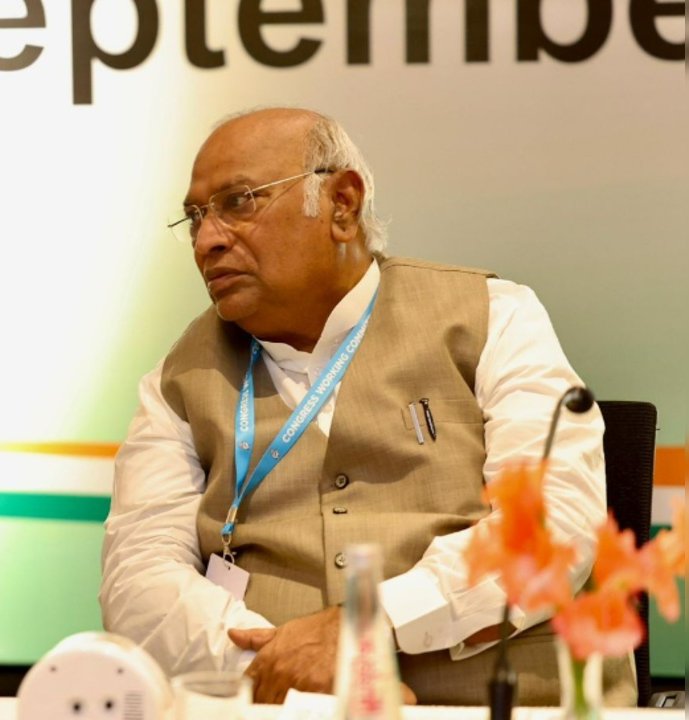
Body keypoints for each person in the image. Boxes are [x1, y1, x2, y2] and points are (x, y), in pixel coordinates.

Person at [99, 108, 636, 706]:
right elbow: (137, 577)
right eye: (196, 217)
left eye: (239, 202)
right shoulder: (178, 378)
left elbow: (551, 524)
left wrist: (371, 624)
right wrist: (275, 663)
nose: (207, 240)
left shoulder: (494, 316)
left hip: (500, 706)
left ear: (342, 205)